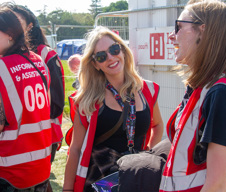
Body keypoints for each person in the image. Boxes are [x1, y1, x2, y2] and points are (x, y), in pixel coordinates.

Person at [63, 26, 164, 192]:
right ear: (95, 64)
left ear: (123, 50)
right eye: (101, 56)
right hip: (101, 181)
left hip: (135, 178)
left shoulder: (148, 90)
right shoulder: (87, 99)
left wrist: (147, 156)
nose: (110, 58)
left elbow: (158, 125)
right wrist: (67, 189)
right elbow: (75, 149)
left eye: (114, 49)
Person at [160, 0, 226, 191]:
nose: (172, 35)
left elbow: (218, 185)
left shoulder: (222, 93)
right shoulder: (203, 89)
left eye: (179, 26)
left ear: (202, 31)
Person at [0, 7, 52, 192]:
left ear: (10, 35)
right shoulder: (38, 61)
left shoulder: (1, 68)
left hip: (9, 172)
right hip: (40, 167)